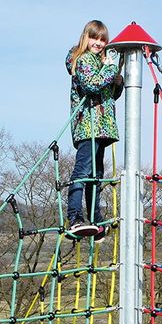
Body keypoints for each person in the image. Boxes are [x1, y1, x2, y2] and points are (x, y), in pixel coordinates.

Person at [64, 19, 122, 241]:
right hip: (88, 124)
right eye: (94, 37)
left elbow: (110, 95)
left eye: (102, 39)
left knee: (97, 175)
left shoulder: (101, 62)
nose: (98, 43)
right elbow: (91, 84)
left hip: (102, 126)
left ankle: (95, 219)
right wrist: (110, 69)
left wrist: (117, 81)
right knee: (83, 171)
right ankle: (75, 217)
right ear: (85, 38)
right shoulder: (82, 59)